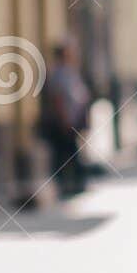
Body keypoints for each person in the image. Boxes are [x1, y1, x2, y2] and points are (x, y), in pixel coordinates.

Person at [40, 36, 91, 197]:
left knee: (71, 153)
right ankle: (65, 185)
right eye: (69, 53)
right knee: (66, 153)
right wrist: (64, 119)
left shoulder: (70, 71)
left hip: (72, 120)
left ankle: (73, 184)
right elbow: (58, 98)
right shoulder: (58, 73)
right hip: (64, 122)